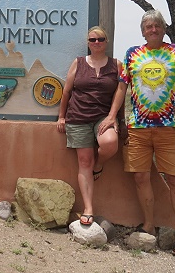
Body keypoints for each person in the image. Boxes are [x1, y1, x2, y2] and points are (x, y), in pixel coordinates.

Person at [102, 9, 175, 257]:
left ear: (164, 29)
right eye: (148, 27)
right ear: (142, 31)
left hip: (169, 128)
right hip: (139, 128)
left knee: (174, 180)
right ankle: (149, 225)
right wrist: (112, 116)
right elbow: (122, 88)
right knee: (141, 178)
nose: (153, 30)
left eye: (157, 26)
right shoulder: (133, 54)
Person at [56, 26, 123, 226]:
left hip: (103, 117)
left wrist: (116, 118)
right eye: (92, 40)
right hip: (78, 117)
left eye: (100, 39)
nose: (96, 43)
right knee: (84, 162)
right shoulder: (78, 63)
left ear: (106, 41)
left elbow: (120, 95)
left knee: (110, 143)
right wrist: (61, 117)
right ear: (88, 43)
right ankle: (88, 208)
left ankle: (100, 163)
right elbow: (66, 92)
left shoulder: (116, 65)